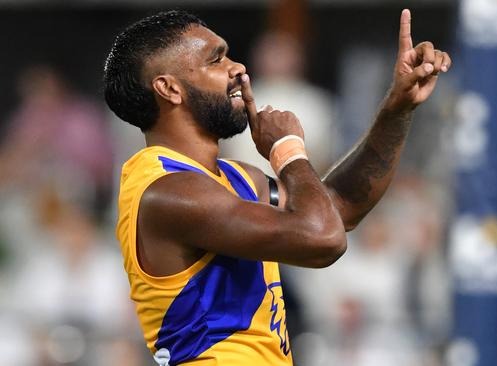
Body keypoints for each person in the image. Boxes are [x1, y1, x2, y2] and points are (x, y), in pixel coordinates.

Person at [104, 9, 450, 366]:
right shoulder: (168, 192)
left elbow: (338, 208)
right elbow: (323, 239)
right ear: (169, 88)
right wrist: (287, 151)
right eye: (217, 59)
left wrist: (397, 106)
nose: (237, 68)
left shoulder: (233, 179)